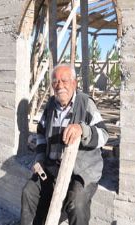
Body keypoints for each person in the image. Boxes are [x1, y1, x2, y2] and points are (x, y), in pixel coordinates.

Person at [20, 64, 109, 225]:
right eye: (55, 82)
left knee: (77, 204)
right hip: (54, 168)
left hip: (82, 171)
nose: (59, 85)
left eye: (64, 81)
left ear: (74, 83)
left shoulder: (85, 103)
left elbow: (104, 135)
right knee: (29, 192)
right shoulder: (50, 106)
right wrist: (40, 158)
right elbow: (40, 133)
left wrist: (83, 129)